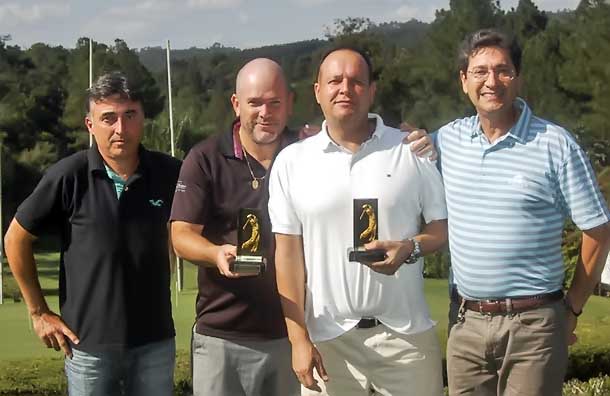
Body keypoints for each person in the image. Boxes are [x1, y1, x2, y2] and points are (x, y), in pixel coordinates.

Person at [435, 29, 610, 395]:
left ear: (518, 78)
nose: (491, 81)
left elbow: (598, 230)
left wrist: (572, 309)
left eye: (503, 70)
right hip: (465, 324)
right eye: (480, 71)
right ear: (463, 81)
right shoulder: (446, 141)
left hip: (534, 327)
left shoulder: (554, 144)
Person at [268, 47, 448, 396]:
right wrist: (298, 339)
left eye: (356, 81)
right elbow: (287, 258)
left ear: (372, 90)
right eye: (335, 80)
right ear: (317, 91)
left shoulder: (411, 150)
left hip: (406, 340)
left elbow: (440, 230)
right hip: (328, 341)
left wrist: (410, 248)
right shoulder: (292, 162)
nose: (345, 89)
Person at [3, 71, 181, 396]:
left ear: (143, 117)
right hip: (88, 347)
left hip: (155, 342)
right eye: (108, 118)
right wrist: (39, 312)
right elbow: (16, 238)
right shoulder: (69, 176)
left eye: (130, 115)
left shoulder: (170, 173)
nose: (120, 129)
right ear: (90, 124)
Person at [169, 58, 300, 396]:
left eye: (274, 102)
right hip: (221, 337)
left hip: (294, 334)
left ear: (291, 102)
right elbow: (181, 235)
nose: (265, 112)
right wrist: (215, 253)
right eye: (255, 102)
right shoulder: (205, 158)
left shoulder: (308, 154)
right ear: (236, 103)